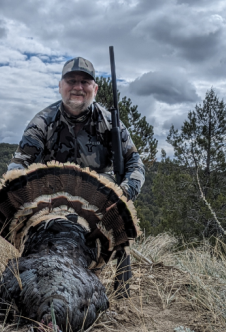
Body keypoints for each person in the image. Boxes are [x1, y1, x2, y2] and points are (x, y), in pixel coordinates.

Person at [7, 56, 145, 298]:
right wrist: (15, 186)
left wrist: (125, 192)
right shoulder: (42, 122)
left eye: (85, 82)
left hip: (96, 204)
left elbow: (135, 162)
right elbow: (19, 163)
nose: (78, 87)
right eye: (71, 81)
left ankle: (119, 274)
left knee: (116, 200)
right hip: (52, 203)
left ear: (95, 88)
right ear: (61, 86)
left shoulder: (110, 123)